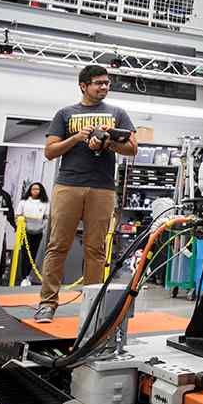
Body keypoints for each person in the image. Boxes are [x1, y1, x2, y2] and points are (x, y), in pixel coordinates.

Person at [37, 65, 137, 321]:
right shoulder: (65, 114)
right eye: (98, 83)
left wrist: (108, 142)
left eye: (107, 83)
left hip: (102, 187)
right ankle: (47, 304)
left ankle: (91, 307)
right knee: (58, 245)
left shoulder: (118, 114)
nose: (104, 87)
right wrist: (76, 139)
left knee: (96, 249)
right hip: (68, 185)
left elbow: (132, 148)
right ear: (83, 85)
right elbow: (50, 152)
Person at [15, 182, 50, 279]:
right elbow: (18, 216)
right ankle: (23, 276)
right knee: (25, 254)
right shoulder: (23, 202)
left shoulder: (45, 203)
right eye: (33, 189)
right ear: (30, 190)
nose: (35, 191)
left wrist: (41, 226)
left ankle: (29, 276)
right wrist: (23, 226)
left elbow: (46, 218)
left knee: (34, 254)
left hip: (38, 232)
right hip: (25, 232)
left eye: (37, 189)